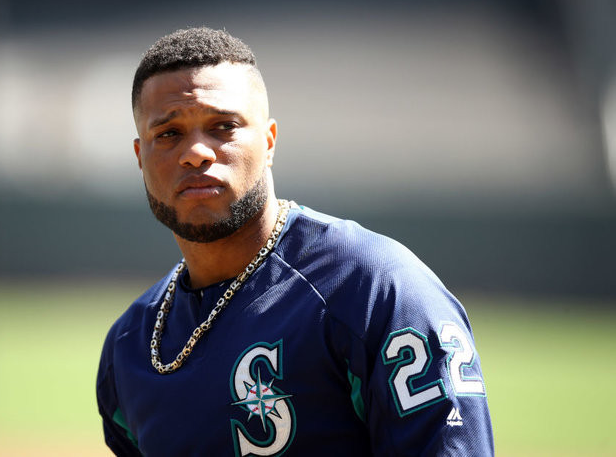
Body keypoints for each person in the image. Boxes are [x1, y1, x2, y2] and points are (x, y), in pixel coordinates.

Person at [96, 27, 494, 456]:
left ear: (269, 143)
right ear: (140, 157)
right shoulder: (130, 346)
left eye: (224, 126)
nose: (196, 152)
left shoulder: (373, 289)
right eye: (169, 133)